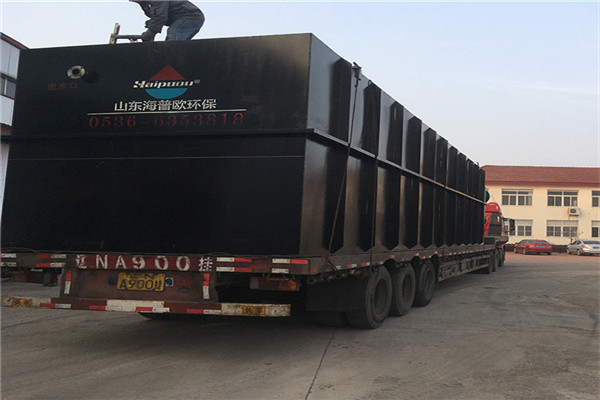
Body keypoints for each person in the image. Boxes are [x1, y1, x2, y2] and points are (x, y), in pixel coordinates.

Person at [130, 1, 205, 41]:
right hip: (183, 17)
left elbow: (160, 16)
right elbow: (158, 15)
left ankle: (172, 61)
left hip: (190, 17)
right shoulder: (145, 4)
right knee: (171, 42)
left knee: (172, 41)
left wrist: (151, 31)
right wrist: (152, 23)